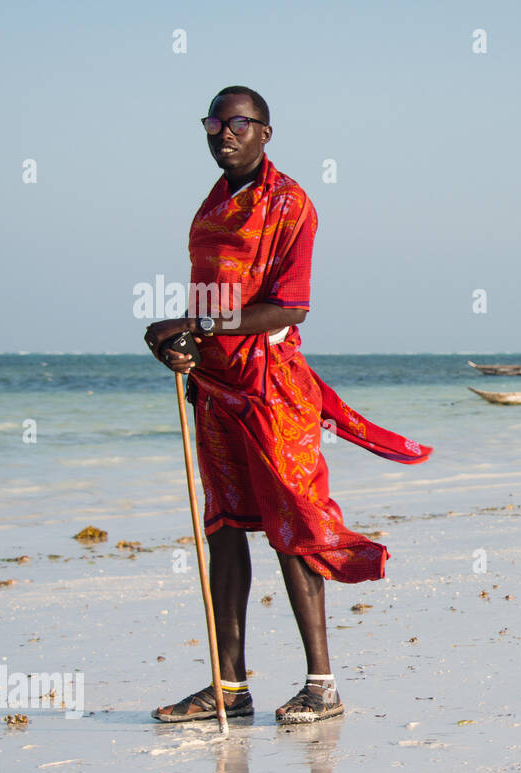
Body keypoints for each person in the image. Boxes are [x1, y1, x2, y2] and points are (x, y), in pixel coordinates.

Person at [144, 86, 431, 724]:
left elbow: (289, 306)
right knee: (222, 530)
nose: (224, 132)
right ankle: (229, 687)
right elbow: (210, 307)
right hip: (217, 388)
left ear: (266, 132)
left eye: (239, 122)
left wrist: (194, 323)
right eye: (214, 122)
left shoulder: (290, 203)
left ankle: (321, 686)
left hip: (273, 386)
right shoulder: (212, 205)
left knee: (293, 529)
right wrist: (183, 349)